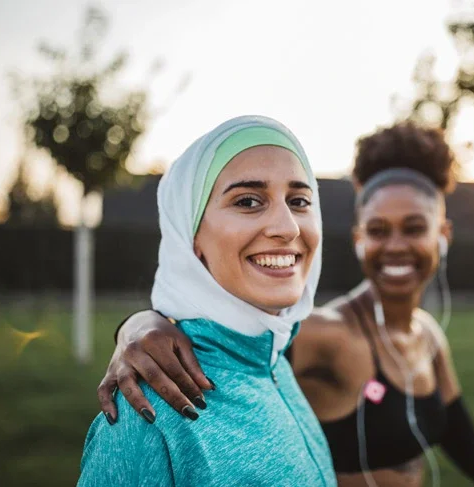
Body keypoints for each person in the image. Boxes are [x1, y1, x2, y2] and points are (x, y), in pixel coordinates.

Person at [98, 121, 474, 486]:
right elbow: (230, 346)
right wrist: (139, 325)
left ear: (443, 236)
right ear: (359, 239)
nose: (396, 246)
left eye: (414, 228)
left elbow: (467, 444)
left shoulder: (428, 338)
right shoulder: (326, 333)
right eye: (378, 230)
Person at [78, 115, 337, 486]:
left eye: (299, 201)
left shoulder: (273, 364)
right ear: (190, 235)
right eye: (248, 201)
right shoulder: (147, 415)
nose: (288, 227)